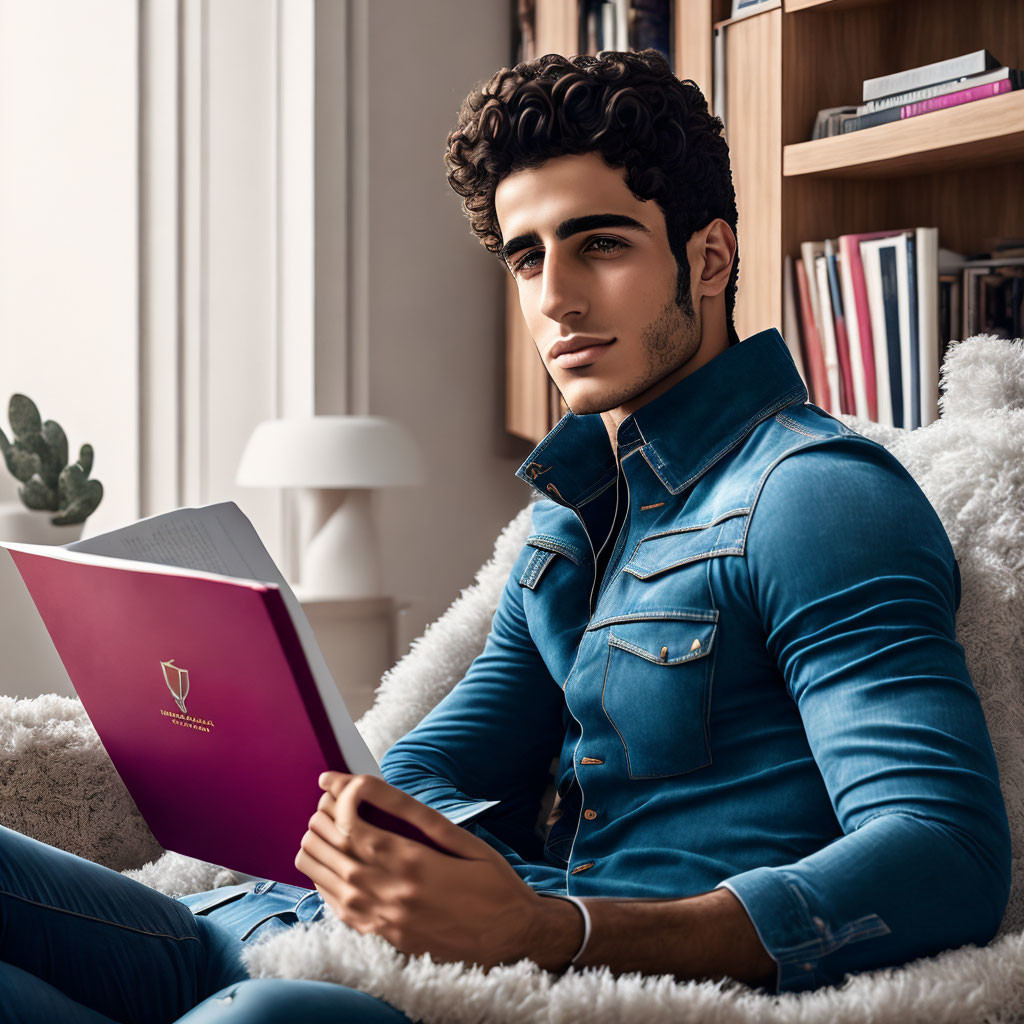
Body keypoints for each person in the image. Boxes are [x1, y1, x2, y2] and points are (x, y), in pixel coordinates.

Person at [0, 47, 1010, 1023]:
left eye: (600, 244)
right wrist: (422, 865)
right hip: (292, 930)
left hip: (466, 992)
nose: (556, 298)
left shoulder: (816, 498)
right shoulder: (566, 517)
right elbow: (436, 763)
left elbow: (942, 856)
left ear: (707, 256)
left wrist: (548, 927)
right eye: (528, 257)